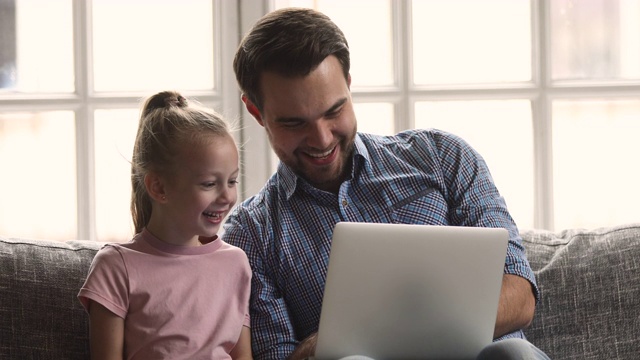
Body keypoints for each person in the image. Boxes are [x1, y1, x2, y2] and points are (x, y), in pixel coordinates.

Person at [224, 7, 550, 360]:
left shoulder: (443, 158)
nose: (321, 139)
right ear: (256, 112)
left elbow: (519, 297)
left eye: (334, 111)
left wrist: (358, 335)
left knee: (515, 353)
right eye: (294, 123)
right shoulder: (251, 235)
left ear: (348, 84)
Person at [78, 91, 253, 360]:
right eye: (209, 184)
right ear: (159, 187)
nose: (227, 197)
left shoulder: (236, 263)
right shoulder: (115, 267)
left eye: (232, 181)